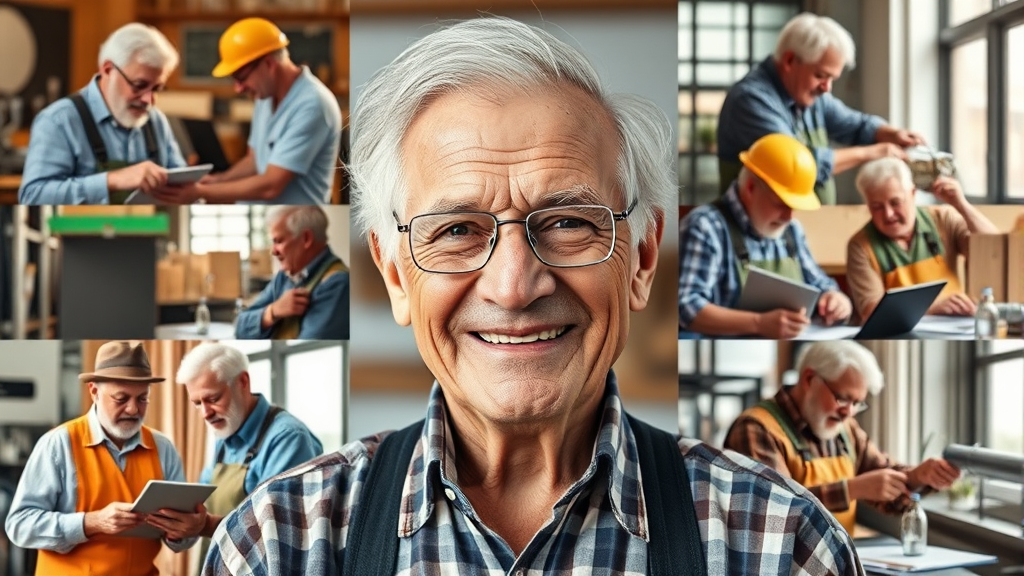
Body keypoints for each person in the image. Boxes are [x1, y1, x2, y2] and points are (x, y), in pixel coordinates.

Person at [204, 18, 863, 576]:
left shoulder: (783, 546)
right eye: (458, 231)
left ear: (640, 257)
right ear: (396, 274)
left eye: (569, 223)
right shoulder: (274, 544)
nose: (515, 286)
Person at [4, 341, 206, 576]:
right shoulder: (58, 444)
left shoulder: (163, 448)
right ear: (94, 391)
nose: (133, 409)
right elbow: (19, 525)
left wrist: (185, 531)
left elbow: (182, 539)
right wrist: (92, 522)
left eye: (142, 399)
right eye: (121, 399)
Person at [724, 341, 961, 535]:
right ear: (809, 379)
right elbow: (775, 511)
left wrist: (918, 476)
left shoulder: (846, 430)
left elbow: (889, 489)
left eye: (858, 403)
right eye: (843, 398)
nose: (849, 412)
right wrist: (851, 490)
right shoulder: (756, 428)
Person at [717, 12, 926, 205]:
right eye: (821, 75)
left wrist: (892, 134)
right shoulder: (750, 100)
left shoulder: (810, 96)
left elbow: (856, 126)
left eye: (832, 79)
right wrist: (872, 152)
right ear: (790, 60)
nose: (827, 88)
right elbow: (796, 167)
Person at [155, 342, 322, 557]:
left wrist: (205, 525)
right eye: (197, 403)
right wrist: (178, 524)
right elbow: (202, 502)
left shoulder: (288, 438)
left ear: (243, 381)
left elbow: (275, 529)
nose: (205, 413)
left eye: (213, 399)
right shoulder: (225, 433)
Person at [679, 133, 852, 338]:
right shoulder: (705, 227)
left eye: (794, 206)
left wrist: (837, 300)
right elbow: (686, 306)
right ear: (751, 188)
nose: (789, 216)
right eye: (780, 204)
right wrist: (758, 323)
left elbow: (820, 284)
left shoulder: (791, 231)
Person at [152, 17, 342, 204]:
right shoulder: (264, 95)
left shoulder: (312, 104)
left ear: (269, 64)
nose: (238, 88)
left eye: (241, 77)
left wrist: (201, 192)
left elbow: (271, 186)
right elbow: (254, 160)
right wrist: (219, 180)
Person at [19, 23, 187, 204]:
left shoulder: (156, 121)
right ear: (108, 70)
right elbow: (33, 196)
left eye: (157, 89)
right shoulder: (59, 121)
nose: (149, 100)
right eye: (139, 85)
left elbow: (181, 182)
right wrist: (112, 181)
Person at [846, 158, 998, 319]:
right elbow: (872, 312)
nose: (888, 214)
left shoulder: (943, 220)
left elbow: (995, 250)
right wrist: (932, 308)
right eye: (877, 207)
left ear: (912, 194)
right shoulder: (860, 246)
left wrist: (961, 205)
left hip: (958, 321)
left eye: (895, 202)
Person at [234, 205, 349, 339]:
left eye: (278, 241)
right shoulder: (284, 277)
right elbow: (239, 327)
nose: (273, 251)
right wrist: (273, 311)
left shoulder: (338, 283)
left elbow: (309, 346)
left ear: (306, 238)